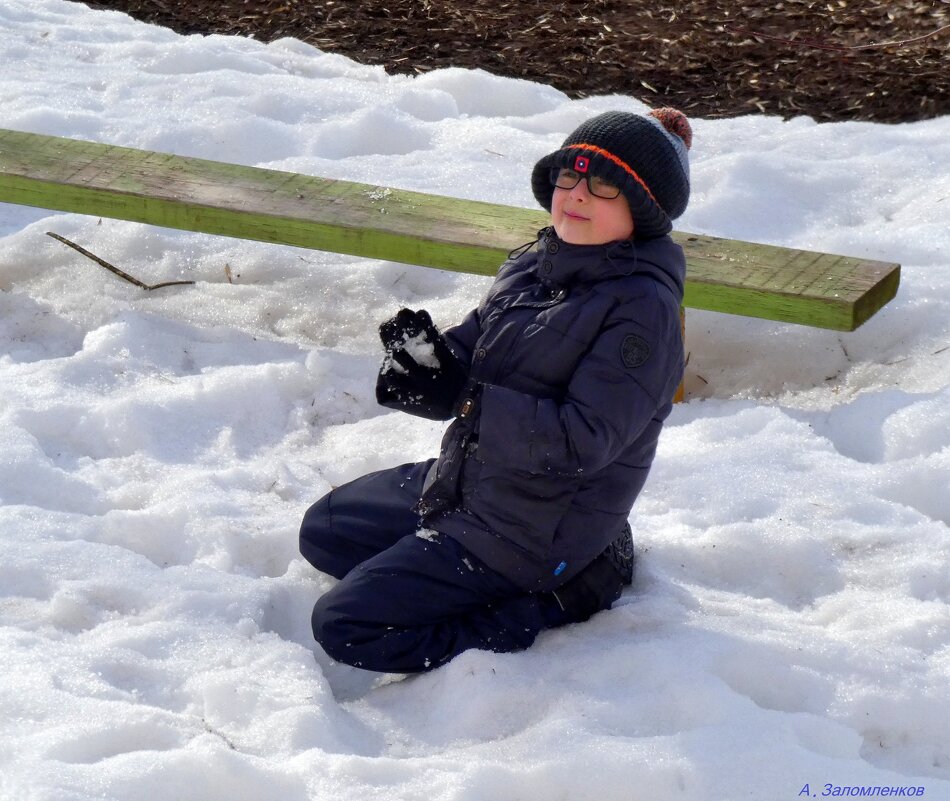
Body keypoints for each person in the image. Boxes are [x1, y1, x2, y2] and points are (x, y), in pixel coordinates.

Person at [299, 108, 692, 673]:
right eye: (568, 176)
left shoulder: (642, 312)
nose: (576, 195)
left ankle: (558, 595)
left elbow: (582, 440)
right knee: (327, 532)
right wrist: (429, 362)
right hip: (474, 483)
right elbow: (474, 351)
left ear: (643, 206)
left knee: (348, 625)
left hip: (536, 526)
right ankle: (555, 556)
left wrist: (466, 400)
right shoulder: (539, 262)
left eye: (603, 185)